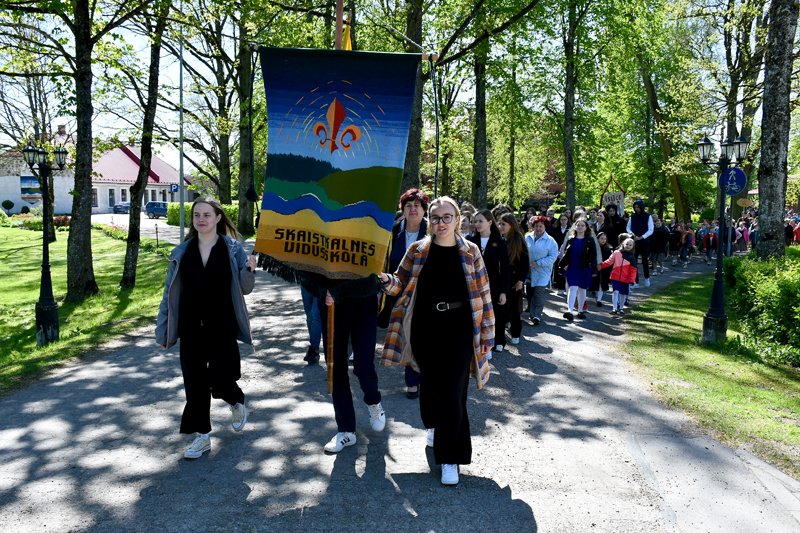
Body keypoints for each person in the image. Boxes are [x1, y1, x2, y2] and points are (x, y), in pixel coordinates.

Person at [378, 196, 494, 486]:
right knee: (430, 388)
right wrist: (384, 280)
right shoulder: (417, 250)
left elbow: (484, 292)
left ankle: (450, 458)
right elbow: (399, 283)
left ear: (457, 220)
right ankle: (434, 424)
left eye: (447, 217)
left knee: (453, 390)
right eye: (436, 217)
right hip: (424, 327)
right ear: (430, 221)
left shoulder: (471, 252)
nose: (441, 223)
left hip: (459, 328)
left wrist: (487, 335)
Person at [156, 196, 257, 459]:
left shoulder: (233, 249)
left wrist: (249, 271)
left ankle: (236, 401)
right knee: (195, 384)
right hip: (191, 328)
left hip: (222, 326)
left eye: (207, 215)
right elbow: (169, 293)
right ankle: (202, 436)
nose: (201, 219)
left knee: (222, 380)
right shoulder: (182, 252)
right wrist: (163, 328)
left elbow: (245, 288)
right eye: (197, 215)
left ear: (218, 218)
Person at [378, 189, 429, 399]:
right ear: (403, 209)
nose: (413, 209)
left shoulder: (433, 231)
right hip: (398, 292)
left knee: (423, 336)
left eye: (417, 205)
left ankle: (416, 379)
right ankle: (413, 378)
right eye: (409, 205)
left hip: (427, 292)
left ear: (425, 210)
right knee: (409, 336)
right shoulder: (392, 231)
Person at [469, 210, 510, 353]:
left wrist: (504, 291)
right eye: (475, 221)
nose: (477, 224)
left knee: (493, 315)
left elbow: (505, 268)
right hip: (474, 286)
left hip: (494, 285)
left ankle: (496, 341)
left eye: (480, 221)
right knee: (477, 316)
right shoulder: (471, 242)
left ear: (490, 223)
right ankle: (477, 344)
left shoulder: (499, 242)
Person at [497, 213, 530, 345]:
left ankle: (516, 332)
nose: (501, 226)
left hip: (515, 279)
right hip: (502, 279)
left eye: (503, 224)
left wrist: (521, 280)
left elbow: (525, 263)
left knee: (514, 307)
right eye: (499, 224)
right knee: (501, 307)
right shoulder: (500, 238)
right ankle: (502, 333)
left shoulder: (518, 239)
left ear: (511, 225)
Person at [558, 218, 597, 321]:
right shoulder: (571, 239)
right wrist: (561, 266)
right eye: (578, 225)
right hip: (572, 267)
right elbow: (565, 254)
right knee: (573, 288)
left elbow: (593, 255)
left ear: (586, 228)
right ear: (575, 227)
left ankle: (580, 310)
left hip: (584, 267)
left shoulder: (590, 240)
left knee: (582, 289)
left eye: (582, 225)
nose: (580, 227)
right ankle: (570, 310)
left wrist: (594, 270)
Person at [600, 237, 637, 315]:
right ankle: (614, 308)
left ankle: (621, 308)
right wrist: (601, 266)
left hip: (625, 278)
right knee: (615, 291)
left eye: (630, 245)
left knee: (623, 293)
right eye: (627, 244)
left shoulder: (632, 257)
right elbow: (609, 261)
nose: (628, 246)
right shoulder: (617, 253)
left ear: (632, 247)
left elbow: (633, 270)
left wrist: (632, 280)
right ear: (623, 244)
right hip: (615, 276)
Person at [626, 200, 654, 287]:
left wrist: (642, 237)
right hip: (635, 242)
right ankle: (636, 282)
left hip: (645, 242)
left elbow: (650, 229)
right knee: (634, 262)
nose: (636, 209)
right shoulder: (633, 217)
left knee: (645, 261)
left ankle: (647, 278)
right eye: (635, 207)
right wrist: (632, 234)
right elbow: (628, 228)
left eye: (638, 207)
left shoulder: (647, 216)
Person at [550, 213, 571, 295]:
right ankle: (560, 287)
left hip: (567, 251)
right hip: (557, 251)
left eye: (565, 219)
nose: (563, 221)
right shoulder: (556, 229)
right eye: (562, 219)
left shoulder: (570, 230)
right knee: (558, 269)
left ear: (568, 220)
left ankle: (567, 286)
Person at [300, 286, 321, 364]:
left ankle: (313, 348)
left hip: (319, 282)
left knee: (315, 314)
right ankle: (315, 347)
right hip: (305, 281)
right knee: (309, 317)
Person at [590, 232, 613, 306]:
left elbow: (610, 261)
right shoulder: (594, 248)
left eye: (605, 239)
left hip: (604, 269)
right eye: (601, 239)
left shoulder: (608, 249)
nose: (603, 240)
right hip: (595, 268)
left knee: (601, 284)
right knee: (595, 283)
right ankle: (597, 295)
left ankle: (599, 299)